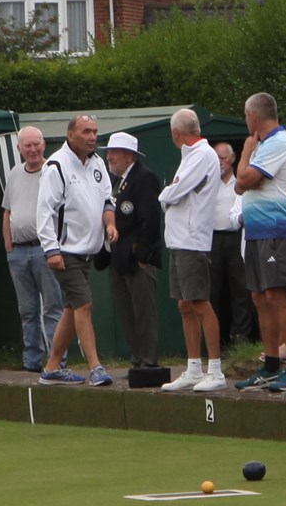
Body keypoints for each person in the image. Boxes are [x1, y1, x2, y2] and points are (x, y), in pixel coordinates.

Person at [233, 93, 286, 392]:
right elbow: (243, 185)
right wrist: (246, 176)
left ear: (253, 116)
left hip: (278, 229)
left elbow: (245, 178)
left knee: (277, 296)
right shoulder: (266, 145)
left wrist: (246, 154)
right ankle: (272, 364)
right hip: (257, 231)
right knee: (260, 297)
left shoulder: (278, 142)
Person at [38, 115, 119, 386]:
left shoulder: (97, 164)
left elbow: (108, 199)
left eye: (95, 131)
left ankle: (52, 367)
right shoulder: (56, 166)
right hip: (66, 251)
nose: (93, 137)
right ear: (71, 135)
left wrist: (109, 224)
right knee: (84, 304)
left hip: (89, 251)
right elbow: (44, 212)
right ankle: (95, 366)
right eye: (86, 131)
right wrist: (52, 250)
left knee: (72, 308)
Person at [157, 109, 226, 392]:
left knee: (199, 302)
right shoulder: (191, 155)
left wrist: (164, 195)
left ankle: (216, 371)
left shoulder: (202, 155)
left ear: (176, 133)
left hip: (192, 240)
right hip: (178, 240)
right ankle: (194, 368)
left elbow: (176, 191)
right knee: (185, 304)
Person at [2, 126, 63, 373]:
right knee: (27, 310)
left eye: (36, 144)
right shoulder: (15, 173)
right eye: (27, 145)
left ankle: (58, 360)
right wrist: (8, 244)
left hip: (44, 250)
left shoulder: (52, 171)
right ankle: (32, 361)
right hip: (18, 251)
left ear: (44, 144)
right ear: (19, 149)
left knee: (52, 308)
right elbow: (7, 211)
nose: (33, 149)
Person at [103, 132, 163, 370]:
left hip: (136, 259)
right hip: (119, 258)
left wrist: (141, 256)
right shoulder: (119, 181)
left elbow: (150, 220)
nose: (109, 157)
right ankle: (137, 358)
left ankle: (148, 360)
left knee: (143, 312)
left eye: (113, 152)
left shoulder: (144, 178)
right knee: (127, 312)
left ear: (129, 155)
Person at [208, 142, 256, 347]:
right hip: (212, 238)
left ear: (233, 158)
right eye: (216, 158)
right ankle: (214, 339)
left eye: (223, 158)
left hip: (236, 237)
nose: (220, 163)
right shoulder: (208, 183)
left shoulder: (241, 184)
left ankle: (241, 336)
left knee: (240, 287)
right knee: (212, 289)